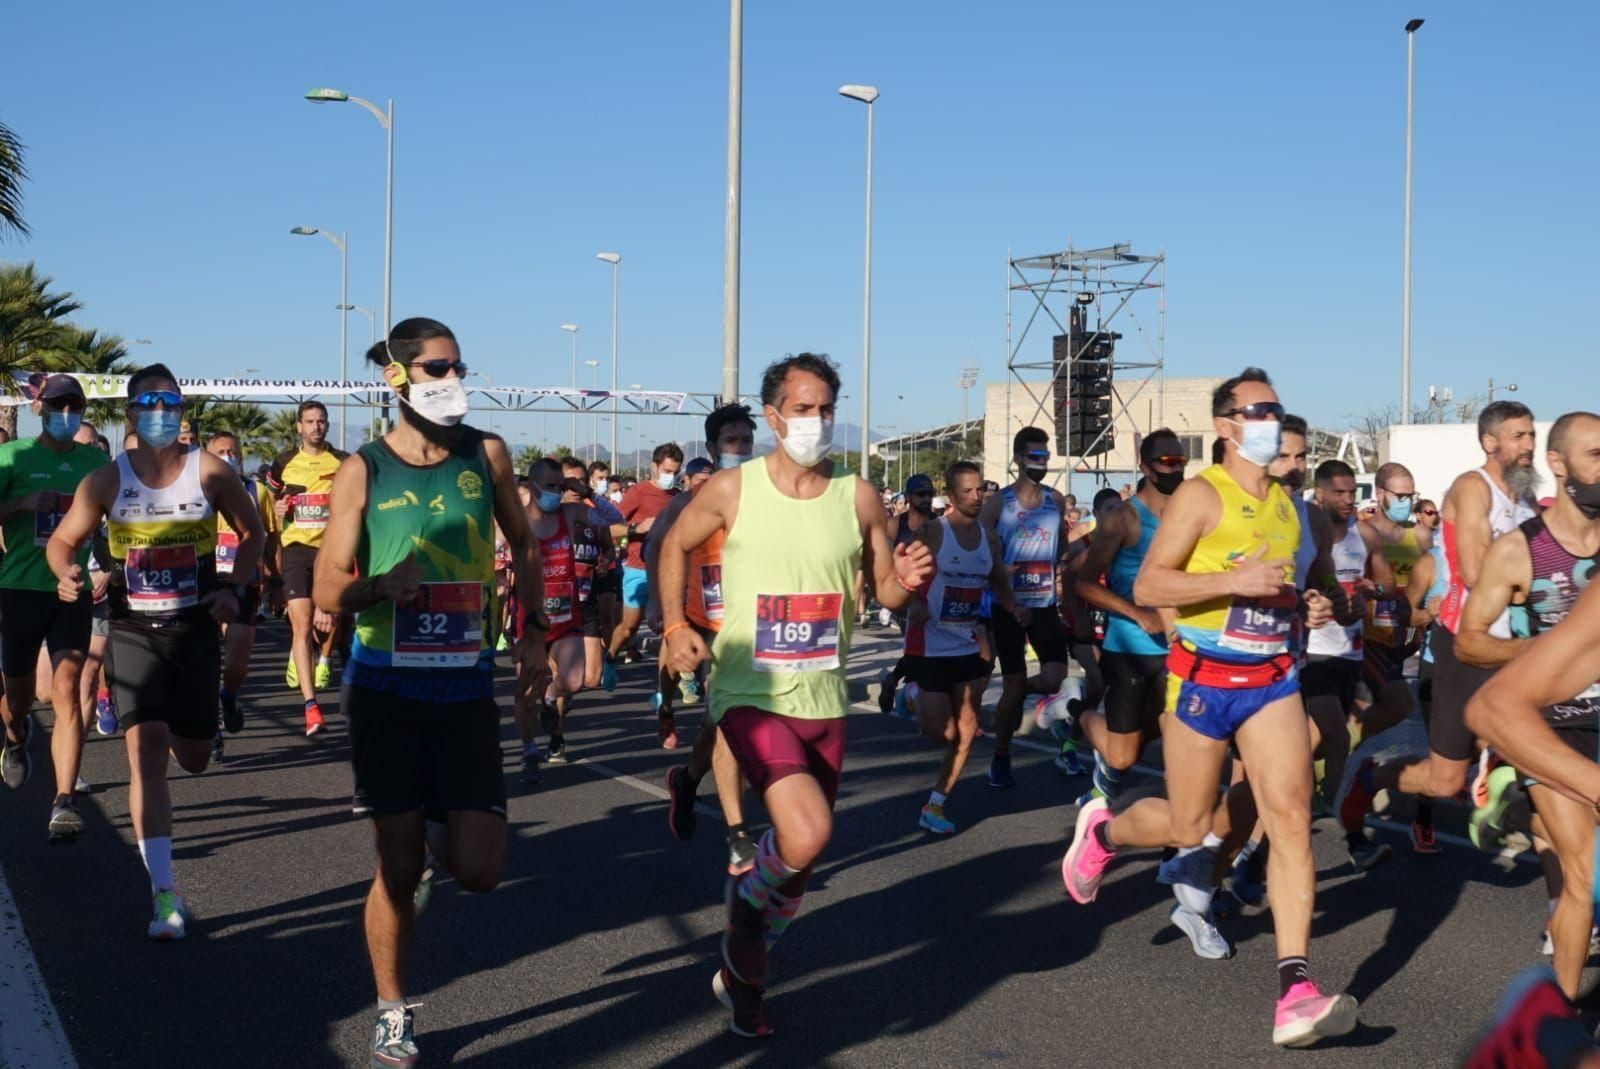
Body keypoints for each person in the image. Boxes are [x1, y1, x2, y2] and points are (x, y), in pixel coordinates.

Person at [1060, 368, 1355, 1048]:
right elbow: (1156, 582)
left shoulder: (1291, 507)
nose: (1271, 421)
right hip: (1199, 681)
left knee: (1290, 816)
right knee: (1192, 824)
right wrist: (1235, 579)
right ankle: (1103, 835)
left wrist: (1314, 604)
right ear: (1224, 425)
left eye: (1277, 409)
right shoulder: (1200, 495)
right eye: (1258, 410)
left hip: (1272, 680)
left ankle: (1295, 989)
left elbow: (1307, 588)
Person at [658, 353, 933, 1038]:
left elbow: (887, 592)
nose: (816, 421)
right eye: (802, 409)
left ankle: (740, 980)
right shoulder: (732, 489)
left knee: (799, 869)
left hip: (823, 699)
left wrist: (909, 578)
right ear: (774, 416)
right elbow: (672, 546)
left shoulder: (860, 495)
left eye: (825, 409)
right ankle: (745, 908)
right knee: (807, 833)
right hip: (750, 689)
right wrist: (671, 624)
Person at [312, 320, 546, 1069]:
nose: (451, 377)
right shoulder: (364, 468)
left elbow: (527, 543)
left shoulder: (488, 453)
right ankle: (390, 1008)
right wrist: (379, 585)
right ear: (398, 376)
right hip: (385, 685)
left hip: (465, 683)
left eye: (458, 365)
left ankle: (437, 822)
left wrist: (534, 630)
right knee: (398, 861)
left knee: (479, 870)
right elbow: (324, 583)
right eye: (436, 366)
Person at [46, 365, 266, 937]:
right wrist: (66, 572)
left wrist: (233, 587)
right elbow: (64, 539)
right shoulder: (106, 481)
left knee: (190, 757)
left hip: (194, 631)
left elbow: (253, 533)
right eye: (149, 403)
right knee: (145, 755)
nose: (160, 412)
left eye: (169, 402)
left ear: (182, 408)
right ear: (131, 413)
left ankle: (199, 724)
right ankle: (164, 897)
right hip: (132, 630)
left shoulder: (210, 472)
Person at [1341, 401, 1538, 853]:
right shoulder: (1473, 488)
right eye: (1518, 436)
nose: (1529, 445)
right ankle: (1369, 780)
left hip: (1516, 645)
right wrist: (1529, 586)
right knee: (1446, 779)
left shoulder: (1526, 499)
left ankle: (1506, 780)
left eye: (1531, 435)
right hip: (1465, 645)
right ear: (1490, 442)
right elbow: (1473, 571)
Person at [1454, 412, 1600, 998]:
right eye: (1596, 455)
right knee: (1583, 872)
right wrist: (1545, 649)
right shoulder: (1519, 549)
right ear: (1560, 465)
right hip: (1550, 722)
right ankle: (1560, 1016)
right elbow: (1468, 638)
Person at [0, 375, 108, 840]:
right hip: (19, 587)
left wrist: (105, 566)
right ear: (40, 409)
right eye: (58, 405)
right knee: (18, 696)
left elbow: (116, 519)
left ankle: (64, 800)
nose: (66, 414)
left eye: (74, 406)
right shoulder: (12, 456)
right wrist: (20, 502)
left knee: (68, 685)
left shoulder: (95, 462)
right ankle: (15, 733)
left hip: (71, 590)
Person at [659, 404, 760, 873]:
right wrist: (674, 622)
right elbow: (657, 548)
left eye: (746, 440)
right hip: (713, 628)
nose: (740, 448)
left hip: (759, 628)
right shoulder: (690, 501)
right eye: (731, 441)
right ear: (713, 447)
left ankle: (687, 779)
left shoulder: (764, 494)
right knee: (726, 719)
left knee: (717, 724)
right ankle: (738, 834)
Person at [1063, 429, 1187, 804]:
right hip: (1129, 646)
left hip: (1178, 646)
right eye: (1167, 462)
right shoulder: (1123, 519)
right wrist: (1137, 612)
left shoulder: (1188, 514)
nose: (1175, 469)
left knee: (1179, 743)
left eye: (1179, 461)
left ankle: (1180, 842)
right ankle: (1074, 712)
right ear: (1145, 468)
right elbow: (1082, 580)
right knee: (1123, 754)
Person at [905, 460, 1019, 834]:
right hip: (928, 645)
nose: (976, 497)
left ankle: (935, 805)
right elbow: (898, 576)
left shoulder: (990, 540)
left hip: (965, 644)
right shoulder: (934, 534)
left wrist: (1015, 608)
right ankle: (913, 695)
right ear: (951, 497)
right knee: (941, 731)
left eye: (980, 489)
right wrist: (915, 603)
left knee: (967, 729)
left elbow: (998, 581)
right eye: (967, 491)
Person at [1300, 459, 1397, 860]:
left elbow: (1389, 584)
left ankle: (1277, 817)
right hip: (1311, 654)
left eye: (1351, 492)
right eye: (1337, 492)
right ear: (1319, 493)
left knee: (1317, 742)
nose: (1346, 500)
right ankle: (1352, 837)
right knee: (1337, 738)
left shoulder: (1365, 535)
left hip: (1351, 652)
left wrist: (1373, 590)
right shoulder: (1305, 536)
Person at [981, 426, 1074, 789]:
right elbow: (982, 550)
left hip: (1045, 602)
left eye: (1045, 457)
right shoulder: (999, 503)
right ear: (1018, 459)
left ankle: (1022, 699)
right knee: (1014, 681)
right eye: (1035, 456)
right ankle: (1001, 755)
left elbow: (1063, 547)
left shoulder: (1055, 500)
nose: (1042, 463)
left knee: (1054, 677)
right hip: (1008, 606)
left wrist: (1068, 567)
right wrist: (1005, 593)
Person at [265, 401, 348, 736]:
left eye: (321, 421)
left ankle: (320, 657)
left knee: (330, 620)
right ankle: (311, 706)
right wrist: (278, 505)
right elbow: (269, 503)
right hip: (297, 548)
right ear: (299, 426)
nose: (316, 426)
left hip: (332, 550)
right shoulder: (284, 462)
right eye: (310, 421)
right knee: (301, 626)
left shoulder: (342, 461)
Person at [513, 457, 594, 776]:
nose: (557, 493)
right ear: (532, 486)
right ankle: (528, 749)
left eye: (561, 487)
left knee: (573, 681)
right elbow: (488, 543)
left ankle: (552, 696)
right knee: (524, 695)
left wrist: (587, 492)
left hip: (565, 619)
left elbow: (611, 519)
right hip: (529, 621)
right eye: (550, 486)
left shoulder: (570, 513)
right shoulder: (516, 519)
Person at [205, 430, 279, 756]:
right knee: (204, 661)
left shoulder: (256, 491)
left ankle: (229, 697)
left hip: (244, 585)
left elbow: (270, 539)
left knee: (236, 663)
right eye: (219, 451)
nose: (227, 457)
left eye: (232, 451)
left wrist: (276, 583)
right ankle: (211, 728)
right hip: (206, 583)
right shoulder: (196, 492)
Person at [609, 442, 683, 744]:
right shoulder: (638, 492)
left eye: (675, 473)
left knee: (669, 631)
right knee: (629, 628)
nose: (671, 477)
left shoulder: (679, 498)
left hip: (669, 574)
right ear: (654, 466)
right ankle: (611, 655)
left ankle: (664, 702)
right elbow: (611, 527)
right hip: (637, 569)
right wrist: (639, 526)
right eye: (667, 471)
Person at [877, 474, 937, 715]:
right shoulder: (894, 526)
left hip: (932, 597)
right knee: (918, 649)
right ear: (909, 497)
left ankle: (892, 680)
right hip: (903, 597)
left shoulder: (938, 525)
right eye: (921, 495)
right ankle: (911, 696)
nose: (926, 499)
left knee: (921, 651)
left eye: (929, 494)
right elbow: (884, 563)